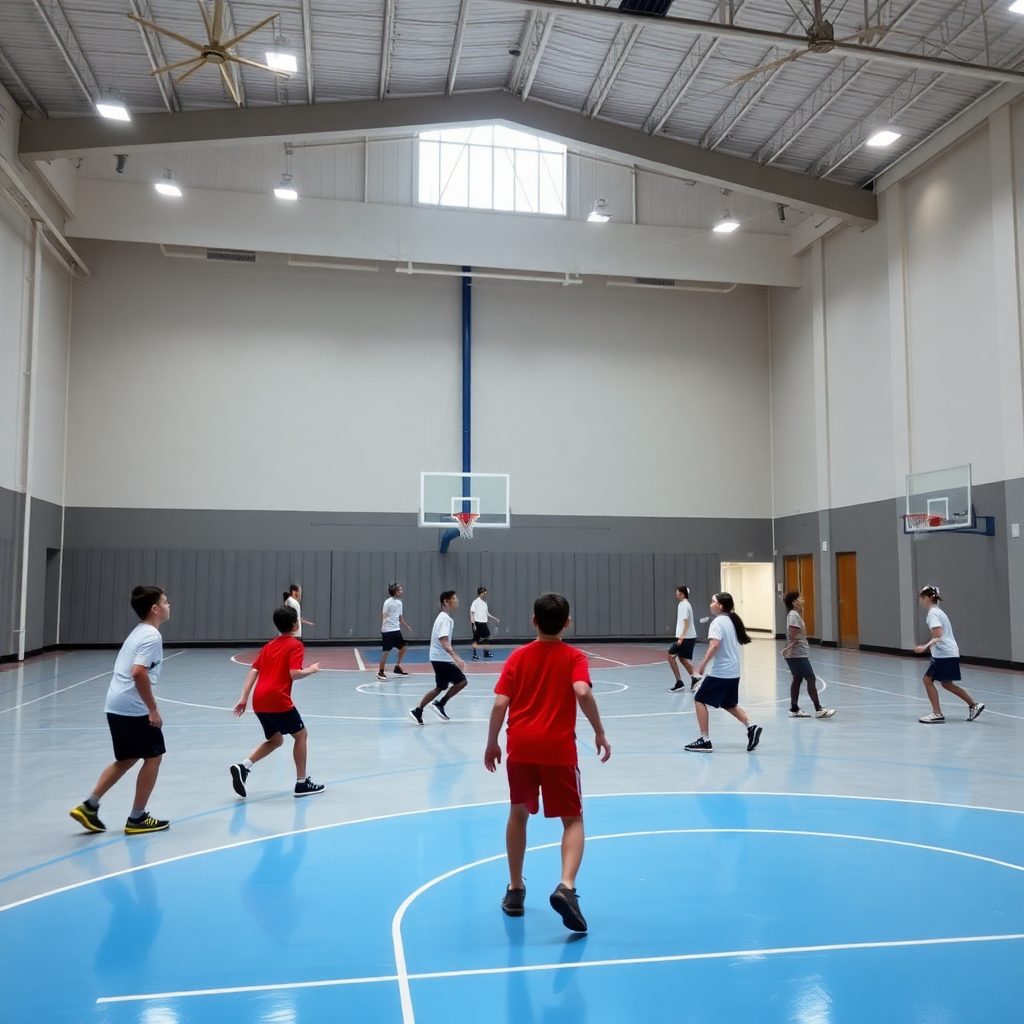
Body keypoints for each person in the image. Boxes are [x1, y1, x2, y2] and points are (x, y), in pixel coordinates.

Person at [485, 593, 611, 933]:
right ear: (567, 623)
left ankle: (515, 891)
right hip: (558, 750)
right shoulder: (574, 657)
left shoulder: (518, 657)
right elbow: (583, 692)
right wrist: (599, 731)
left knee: (518, 813)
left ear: (534, 621)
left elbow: (500, 704)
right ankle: (566, 886)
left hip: (521, 747)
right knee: (572, 820)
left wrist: (492, 741)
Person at [69, 585, 173, 835]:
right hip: (132, 706)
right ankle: (137, 818)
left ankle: (89, 806)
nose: (170, 606)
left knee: (126, 758)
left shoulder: (138, 632)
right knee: (154, 756)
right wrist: (152, 709)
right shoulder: (151, 636)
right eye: (166, 602)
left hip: (114, 704)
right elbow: (138, 673)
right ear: (155, 608)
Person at [230, 604, 324, 798]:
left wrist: (243, 698)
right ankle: (301, 783)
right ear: (294, 624)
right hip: (277, 699)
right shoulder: (295, 645)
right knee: (301, 736)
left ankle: (244, 767)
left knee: (276, 740)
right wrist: (312, 670)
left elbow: (254, 670)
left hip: (259, 700)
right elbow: (294, 673)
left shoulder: (269, 646)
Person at [685, 592, 762, 753]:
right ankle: (751, 726)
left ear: (719, 605)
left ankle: (704, 740)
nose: (710, 604)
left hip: (722, 671)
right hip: (734, 671)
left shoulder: (718, 622)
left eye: (713, 601)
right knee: (728, 703)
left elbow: (715, 645)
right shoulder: (730, 620)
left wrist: (704, 663)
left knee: (699, 699)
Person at [915, 585, 984, 724]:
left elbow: (938, 635)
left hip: (944, 654)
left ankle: (937, 713)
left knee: (927, 680)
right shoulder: (938, 612)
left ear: (928, 598)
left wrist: (924, 647)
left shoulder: (933, 614)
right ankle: (973, 705)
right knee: (946, 684)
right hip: (947, 653)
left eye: (922, 598)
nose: (921, 600)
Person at [410, 591, 467, 724]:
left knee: (440, 686)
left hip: (438, 658)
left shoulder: (442, 617)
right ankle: (439, 704)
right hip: (441, 658)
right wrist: (455, 657)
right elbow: (443, 639)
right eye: (453, 598)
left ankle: (418, 711)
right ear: (446, 602)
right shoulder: (446, 619)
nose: (457, 600)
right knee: (461, 681)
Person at [781, 591, 834, 719]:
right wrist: (789, 649)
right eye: (800, 599)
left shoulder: (794, 615)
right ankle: (818, 708)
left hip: (796, 654)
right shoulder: (794, 616)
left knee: (797, 678)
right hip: (797, 655)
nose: (803, 601)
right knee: (810, 678)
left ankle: (794, 709)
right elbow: (793, 637)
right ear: (794, 602)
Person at [667, 585, 700, 692]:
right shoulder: (682, 605)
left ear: (682, 594)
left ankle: (691, 677)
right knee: (682, 659)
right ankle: (690, 678)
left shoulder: (685, 605)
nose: (676, 594)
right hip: (685, 637)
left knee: (671, 656)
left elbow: (686, 621)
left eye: (677, 592)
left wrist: (681, 637)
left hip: (686, 637)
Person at [378, 582, 412, 681]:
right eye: (400, 589)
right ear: (396, 592)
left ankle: (397, 666)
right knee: (386, 652)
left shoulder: (399, 603)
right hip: (388, 631)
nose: (402, 591)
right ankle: (381, 671)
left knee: (403, 647)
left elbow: (400, 618)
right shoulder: (387, 602)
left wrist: (407, 626)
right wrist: (383, 626)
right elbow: (384, 615)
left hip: (396, 630)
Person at [470, 586, 500, 660]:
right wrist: (473, 624)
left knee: (487, 637)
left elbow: (487, 614)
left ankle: (486, 653)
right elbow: (472, 613)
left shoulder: (484, 603)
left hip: (484, 623)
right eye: (484, 593)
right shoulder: (475, 602)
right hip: (477, 623)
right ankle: (474, 655)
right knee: (476, 639)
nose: (485, 594)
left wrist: (495, 619)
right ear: (480, 593)